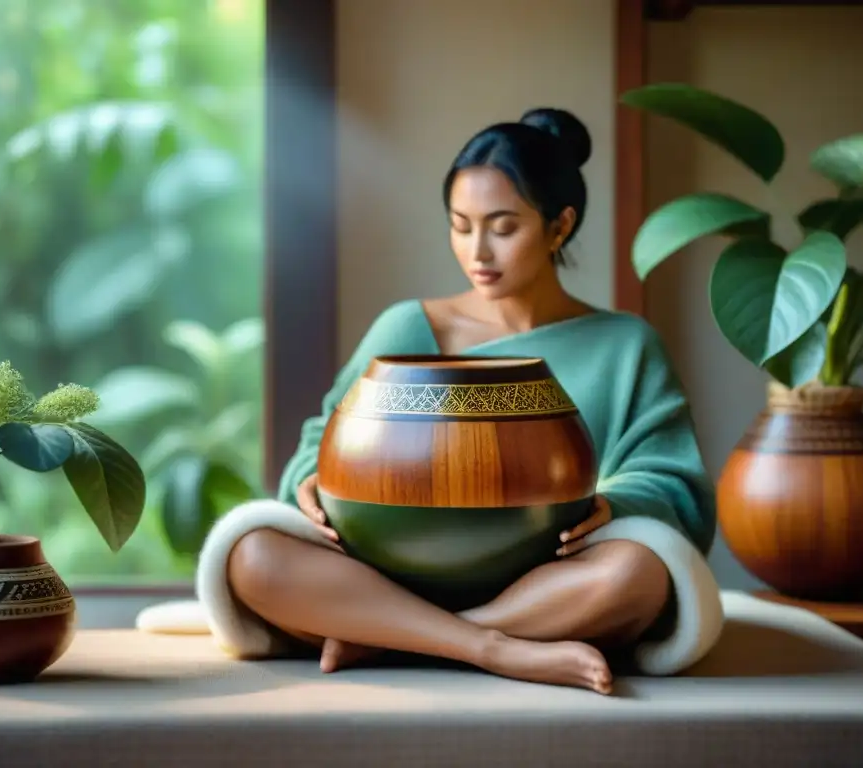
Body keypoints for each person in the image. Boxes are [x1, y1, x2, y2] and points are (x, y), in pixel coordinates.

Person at [137, 107, 725, 695]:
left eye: (503, 226)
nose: (478, 251)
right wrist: (312, 479)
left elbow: (673, 482)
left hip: (547, 578)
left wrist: (613, 506)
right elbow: (320, 446)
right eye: (461, 225)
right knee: (251, 555)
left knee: (638, 576)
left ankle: (394, 638)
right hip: (388, 572)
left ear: (559, 225)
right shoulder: (407, 328)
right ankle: (490, 647)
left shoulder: (625, 345)